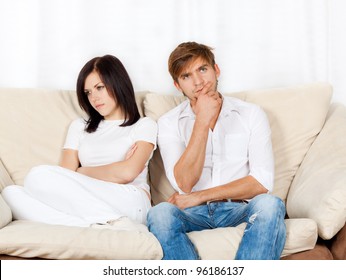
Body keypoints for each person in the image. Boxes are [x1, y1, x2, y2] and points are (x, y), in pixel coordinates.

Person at [147, 42, 286, 259]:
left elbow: (261, 182)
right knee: (160, 214)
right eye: (186, 76)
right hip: (192, 214)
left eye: (202, 69)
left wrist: (200, 196)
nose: (198, 82)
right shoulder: (169, 122)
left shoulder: (251, 114)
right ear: (178, 85)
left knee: (270, 205)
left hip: (240, 209)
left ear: (216, 70)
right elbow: (184, 183)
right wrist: (202, 120)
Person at [2, 55, 157, 231]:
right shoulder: (79, 127)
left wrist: (81, 171)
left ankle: (107, 221)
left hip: (130, 199)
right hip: (87, 199)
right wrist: (114, 170)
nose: (94, 98)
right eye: (88, 92)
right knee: (11, 194)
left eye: (99, 87)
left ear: (118, 83)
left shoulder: (144, 125)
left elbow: (128, 173)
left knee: (37, 175)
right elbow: (64, 177)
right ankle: (102, 225)